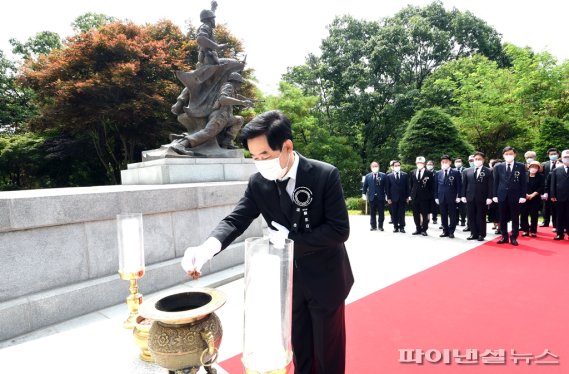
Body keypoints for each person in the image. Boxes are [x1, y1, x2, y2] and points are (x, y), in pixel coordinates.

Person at [181, 110, 354, 374]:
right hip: (290, 282)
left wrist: (290, 239)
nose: (260, 162)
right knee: (300, 349)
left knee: (327, 352)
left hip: (326, 279)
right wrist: (207, 248)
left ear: (287, 146)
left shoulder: (323, 175)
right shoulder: (258, 182)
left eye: (266, 155)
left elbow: (339, 230)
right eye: (254, 156)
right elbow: (236, 219)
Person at [171, 72, 254, 153]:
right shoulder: (228, 86)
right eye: (240, 83)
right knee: (208, 132)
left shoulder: (231, 89)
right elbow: (223, 99)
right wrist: (242, 102)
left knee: (239, 119)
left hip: (226, 117)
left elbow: (237, 97)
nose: (240, 85)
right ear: (236, 82)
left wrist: (247, 100)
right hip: (220, 115)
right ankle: (182, 144)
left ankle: (227, 142)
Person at [493, 146, 527, 246]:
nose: (509, 156)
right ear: (503, 155)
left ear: (515, 154)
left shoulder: (520, 166)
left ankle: (514, 237)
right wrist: (495, 195)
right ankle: (504, 236)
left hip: (515, 196)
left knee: (515, 217)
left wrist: (523, 196)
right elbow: (496, 182)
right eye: (506, 154)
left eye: (511, 154)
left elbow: (523, 182)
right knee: (502, 217)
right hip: (502, 195)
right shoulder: (498, 167)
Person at [462, 152, 493, 241]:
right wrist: (463, 195)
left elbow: (491, 185)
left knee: (481, 216)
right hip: (470, 197)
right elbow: (464, 184)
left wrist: (489, 197)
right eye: (475, 159)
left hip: (482, 198)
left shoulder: (488, 171)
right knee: (471, 216)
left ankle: (481, 234)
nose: (477, 161)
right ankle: (473, 233)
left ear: (483, 160)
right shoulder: (467, 171)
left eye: (479, 159)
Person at [434, 155, 462, 239]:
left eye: (446, 162)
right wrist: (436, 197)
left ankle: (451, 231)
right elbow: (435, 186)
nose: (444, 163)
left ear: (450, 162)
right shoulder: (438, 173)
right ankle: (445, 230)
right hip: (441, 197)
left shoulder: (456, 173)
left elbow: (459, 185)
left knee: (452, 215)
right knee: (443, 215)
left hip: (452, 197)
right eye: (443, 162)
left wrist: (459, 196)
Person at [409, 156, 434, 236]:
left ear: (424, 163)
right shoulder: (412, 172)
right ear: (416, 163)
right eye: (418, 163)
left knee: (425, 213)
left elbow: (432, 186)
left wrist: (430, 196)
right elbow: (411, 185)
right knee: (415, 214)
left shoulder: (429, 173)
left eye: (421, 163)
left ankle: (424, 229)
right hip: (415, 197)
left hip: (425, 197)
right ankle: (418, 228)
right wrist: (410, 195)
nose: (420, 164)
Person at [520, 161, 545, 237]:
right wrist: (525, 194)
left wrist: (533, 194)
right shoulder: (524, 175)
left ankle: (533, 231)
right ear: (529, 167)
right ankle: (525, 230)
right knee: (524, 214)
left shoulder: (541, 176)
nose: (533, 169)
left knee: (534, 215)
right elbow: (520, 185)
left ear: (538, 169)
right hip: (524, 198)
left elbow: (541, 187)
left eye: (536, 167)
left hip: (535, 198)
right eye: (532, 167)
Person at [550, 149, 569, 240]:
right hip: (559, 197)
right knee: (559, 215)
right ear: (561, 158)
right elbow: (553, 184)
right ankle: (560, 233)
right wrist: (553, 195)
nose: (567, 159)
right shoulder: (556, 170)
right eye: (565, 157)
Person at [385, 160, 409, 233]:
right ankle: (395, 227)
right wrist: (388, 198)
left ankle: (402, 227)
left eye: (398, 165)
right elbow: (387, 188)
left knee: (402, 213)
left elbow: (407, 187)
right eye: (396, 166)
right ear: (392, 167)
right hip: (393, 198)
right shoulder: (389, 176)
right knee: (394, 213)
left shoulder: (405, 175)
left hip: (403, 197)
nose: (397, 167)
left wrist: (408, 197)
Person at [362, 161, 387, 231]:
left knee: (381, 212)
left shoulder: (383, 175)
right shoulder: (368, 176)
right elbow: (365, 186)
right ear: (371, 167)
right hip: (372, 197)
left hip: (380, 197)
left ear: (378, 167)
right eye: (373, 166)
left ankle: (380, 226)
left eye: (376, 166)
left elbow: (386, 186)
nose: (375, 167)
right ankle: (373, 226)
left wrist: (387, 195)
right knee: (372, 212)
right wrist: (363, 194)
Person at [541, 148, 560, 228]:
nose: (553, 155)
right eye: (551, 154)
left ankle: (555, 224)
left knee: (555, 206)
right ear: (548, 155)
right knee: (546, 206)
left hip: (556, 189)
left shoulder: (560, 163)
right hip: (546, 188)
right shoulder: (545, 164)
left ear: (558, 154)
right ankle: (545, 222)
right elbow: (542, 177)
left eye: (554, 154)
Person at [487, 159, 502, 234]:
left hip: (502, 195)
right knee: (493, 212)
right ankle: (495, 225)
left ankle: (500, 228)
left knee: (500, 212)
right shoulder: (490, 173)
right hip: (492, 195)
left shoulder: (504, 173)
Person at [453, 158, 468, 227]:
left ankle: (463, 221)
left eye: (459, 161)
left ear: (462, 162)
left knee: (462, 208)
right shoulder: (452, 170)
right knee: (455, 207)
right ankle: (455, 221)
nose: (458, 163)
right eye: (456, 161)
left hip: (463, 191)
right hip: (454, 191)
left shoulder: (465, 170)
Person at [427, 160, 439, 224]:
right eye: (428, 164)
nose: (429, 165)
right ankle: (427, 218)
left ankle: (434, 218)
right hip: (427, 192)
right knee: (427, 206)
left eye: (431, 164)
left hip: (434, 191)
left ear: (433, 165)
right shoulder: (425, 172)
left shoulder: (436, 173)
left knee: (435, 206)